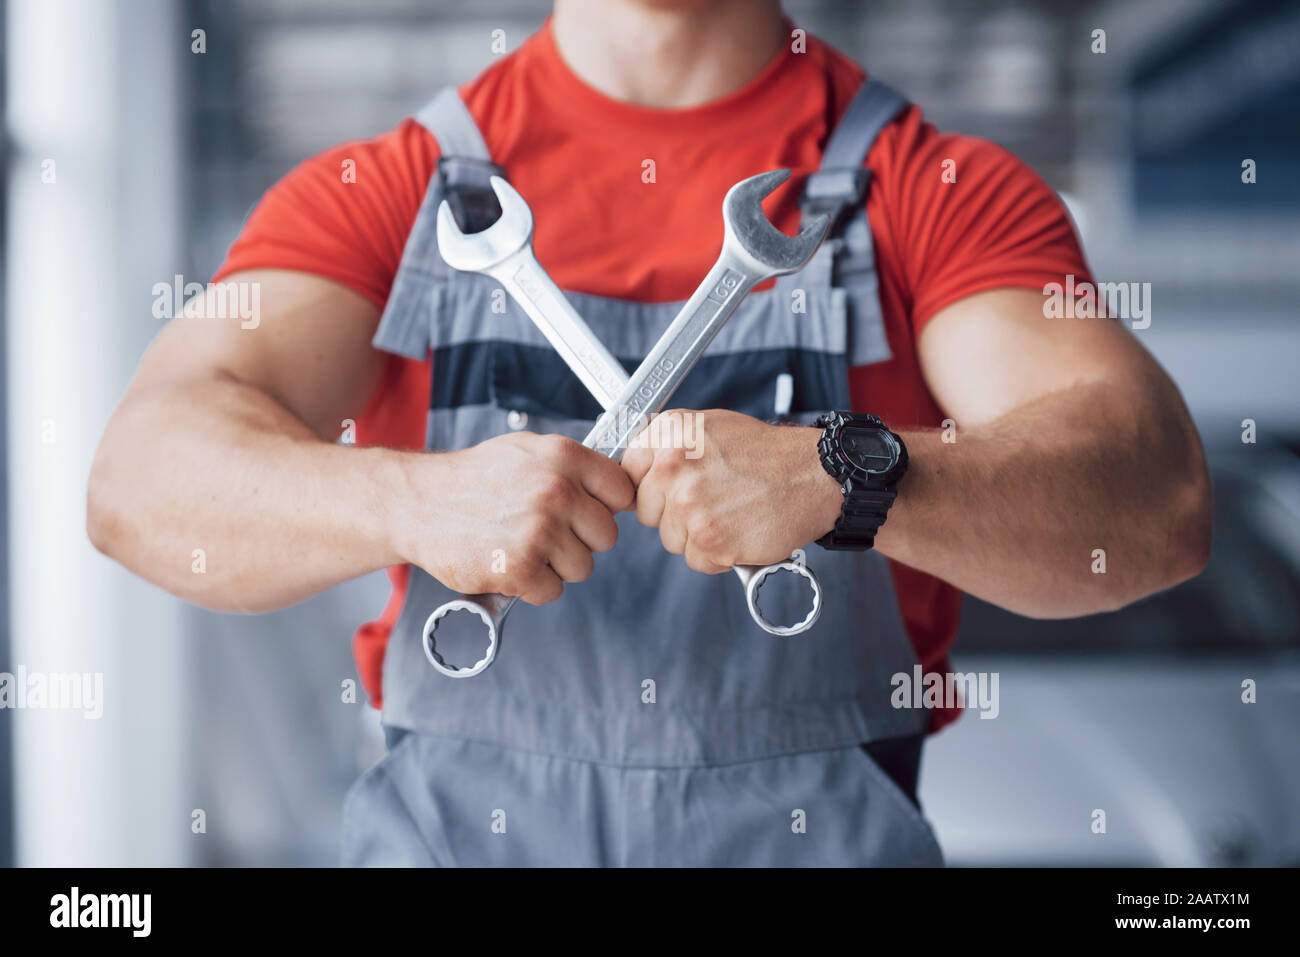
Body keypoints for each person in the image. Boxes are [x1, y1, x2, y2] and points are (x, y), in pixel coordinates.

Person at [87, 0, 1211, 866]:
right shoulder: (386, 195)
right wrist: (410, 501)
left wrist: (844, 476)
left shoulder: (936, 192)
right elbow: (141, 480)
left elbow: (1155, 499)